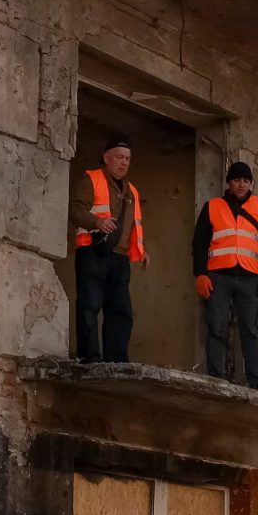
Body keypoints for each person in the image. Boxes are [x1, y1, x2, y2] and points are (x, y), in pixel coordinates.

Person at [193, 161, 258, 391]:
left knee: (250, 329)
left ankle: (255, 380)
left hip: (249, 278)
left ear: (251, 183)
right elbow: (199, 244)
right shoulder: (212, 206)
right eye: (236, 180)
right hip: (218, 277)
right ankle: (215, 377)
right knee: (217, 325)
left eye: (245, 181)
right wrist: (200, 274)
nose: (241, 185)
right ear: (229, 183)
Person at [72, 140, 144, 363]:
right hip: (92, 251)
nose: (124, 163)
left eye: (127, 158)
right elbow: (75, 209)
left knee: (121, 311)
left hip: (120, 257)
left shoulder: (132, 191)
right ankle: (89, 358)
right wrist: (97, 222)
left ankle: (117, 360)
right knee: (89, 306)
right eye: (119, 157)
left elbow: (135, 224)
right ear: (106, 158)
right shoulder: (91, 179)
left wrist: (143, 249)